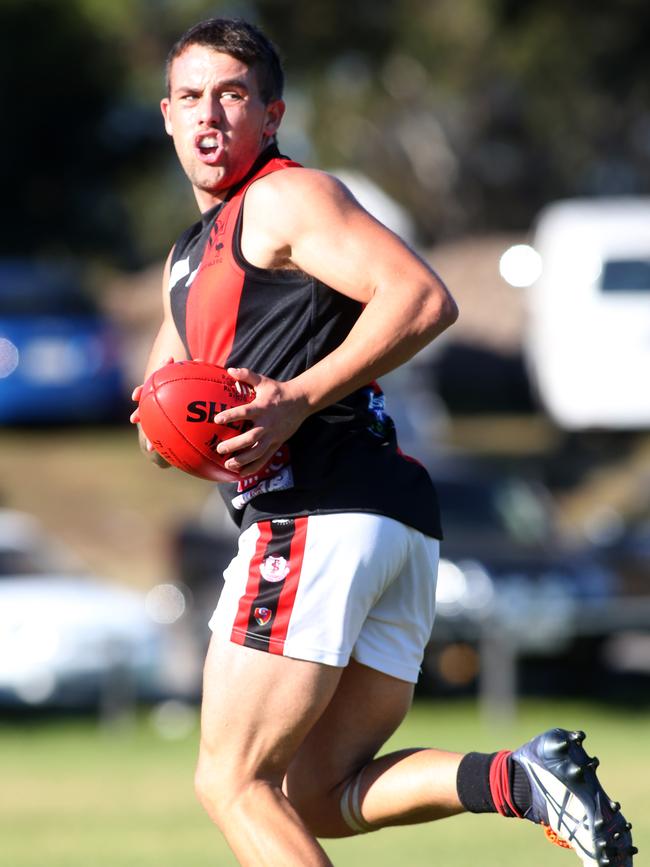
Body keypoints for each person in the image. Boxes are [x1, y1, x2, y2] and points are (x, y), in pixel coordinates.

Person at [131, 17, 636, 867]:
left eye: (232, 95)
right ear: (167, 116)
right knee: (317, 796)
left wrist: (293, 398)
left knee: (232, 781)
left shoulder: (285, 198)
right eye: (191, 98)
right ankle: (522, 776)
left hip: (313, 510)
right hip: (384, 521)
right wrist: (172, 435)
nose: (210, 115)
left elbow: (420, 297)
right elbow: (157, 405)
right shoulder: (193, 254)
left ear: (273, 113)